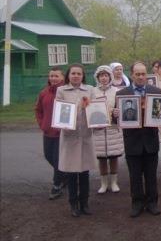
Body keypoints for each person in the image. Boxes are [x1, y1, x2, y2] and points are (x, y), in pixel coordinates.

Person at [113, 61, 161, 217]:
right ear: (132, 75)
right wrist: (114, 116)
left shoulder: (156, 91)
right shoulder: (121, 94)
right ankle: (137, 203)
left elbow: (159, 116)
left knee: (151, 176)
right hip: (132, 142)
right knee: (134, 176)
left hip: (150, 141)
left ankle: (152, 203)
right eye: (138, 74)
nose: (141, 77)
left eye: (143, 74)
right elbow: (117, 120)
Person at [56, 64, 96, 217]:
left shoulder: (90, 90)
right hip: (70, 136)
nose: (76, 76)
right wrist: (77, 109)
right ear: (68, 75)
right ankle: (73, 204)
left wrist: (92, 110)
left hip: (85, 135)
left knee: (84, 173)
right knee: (72, 174)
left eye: (79, 73)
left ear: (83, 75)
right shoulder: (62, 90)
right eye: (73, 73)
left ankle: (84, 203)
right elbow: (60, 112)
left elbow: (96, 110)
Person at [35, 66, 66, 200]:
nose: (53, 78)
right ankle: (66, 176)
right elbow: (38, 110)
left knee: (58, 159)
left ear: (62, 77)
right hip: (48, 132)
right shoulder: (44, 93)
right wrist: (42, 124)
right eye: (51, 76)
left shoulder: (66, 92)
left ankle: (57, 185)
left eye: (56, 76)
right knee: (49, 156)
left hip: (63, 133)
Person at [92, 65, 124, 194]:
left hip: (113, 128)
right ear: (97, 77)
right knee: (102, 158)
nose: (104, 78)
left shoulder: (117, 91)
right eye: (101, 76)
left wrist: (118, 112)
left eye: (106, 75)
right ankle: (104, 183)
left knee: (113, 156)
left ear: (110, 77)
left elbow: (122, 109)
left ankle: (114, 182)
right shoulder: (93, 92)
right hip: (98, 130)